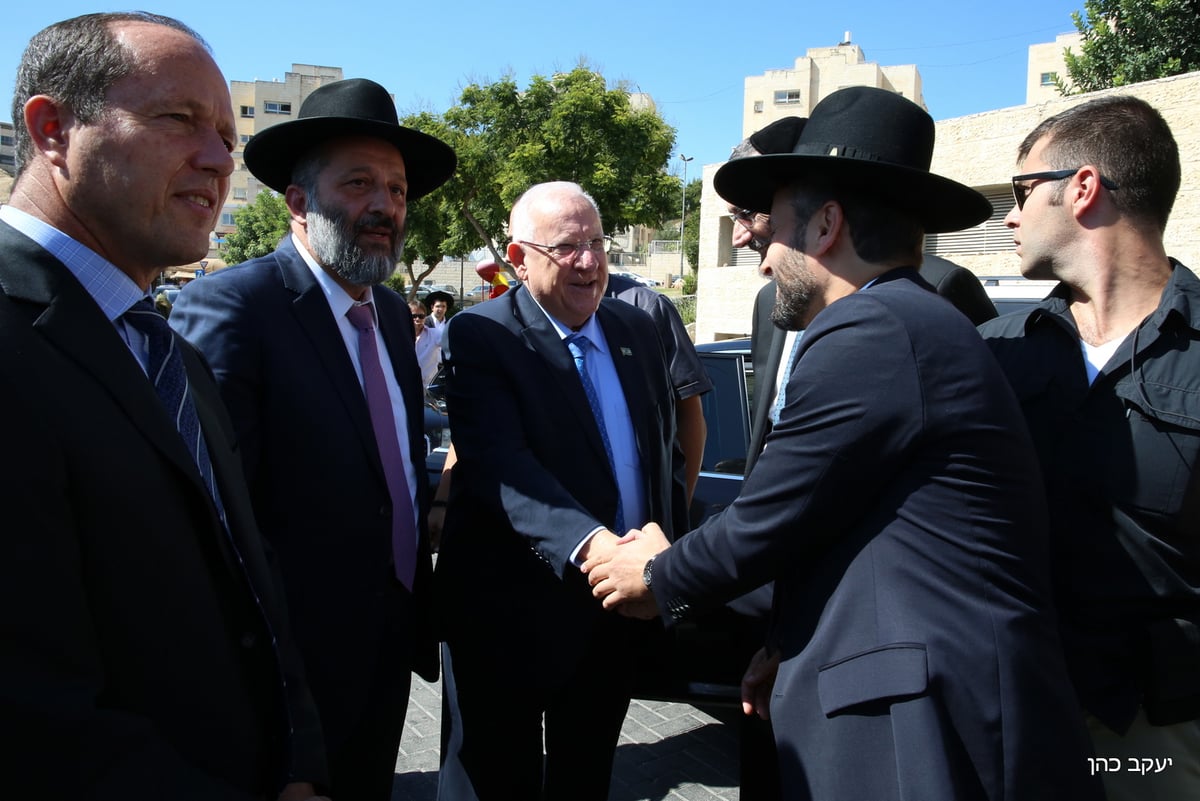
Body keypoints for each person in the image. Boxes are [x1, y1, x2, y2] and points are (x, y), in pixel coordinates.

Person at [584, 86, 1102, 801]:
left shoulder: (873, 329)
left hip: (927, 731)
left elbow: (762, 523)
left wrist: (655, 569)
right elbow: (848, 533)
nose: (765, 263)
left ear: (827, 224)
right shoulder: (905, 320)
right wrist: (787, 640)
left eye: (777, 235)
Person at [0, 12, 329, 800]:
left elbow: (254, 590)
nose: (221, 160)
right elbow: (29, 714)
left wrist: (302, 768)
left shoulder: (167, 351)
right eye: (178, 119)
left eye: (225, 129)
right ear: (52, 129)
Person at [171, 77, 456, 801]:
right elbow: (211, 516)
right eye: (359, 183)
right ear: (298, 201)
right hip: (290, 667)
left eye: (395, 190)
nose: (385, 207)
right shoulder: (235, 305)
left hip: (389, 642)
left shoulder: (392, 314)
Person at [979, 95, 1200, 801]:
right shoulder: (992, 354)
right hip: (1008, 708)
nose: (1010, 216)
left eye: (1021, 192)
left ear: (1083, 188)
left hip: (1152, 739)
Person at [435, 181, 686, 801]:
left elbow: (660, 453)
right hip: (510, 615)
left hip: (612, 615)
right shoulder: (480, 335)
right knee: (495, 780)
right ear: (519, 259)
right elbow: (503, 464)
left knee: (587, 775)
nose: (590, 261)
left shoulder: (637, 328)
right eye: (568, 247)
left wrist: (665, 554)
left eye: (598, 243)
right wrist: (602, 551)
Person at [732, 117, 998, 474]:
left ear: (823, 222)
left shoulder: (936, 294)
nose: (738, 237)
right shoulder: (771, 300)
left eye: (749, 213)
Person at [605, 272, 711, 505]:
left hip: (642, 521)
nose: (586, 258)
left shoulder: (647, 308)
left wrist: (679, 517)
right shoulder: (517, 317)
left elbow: (690, 416)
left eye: (594, 243)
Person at [411, 299, 441, 385]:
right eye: (414, 316)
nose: (417, 319)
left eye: (421, 316)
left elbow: (451, 344)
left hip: (427, 387)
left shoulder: (435, 334)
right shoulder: (399, 336)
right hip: (406, 386)